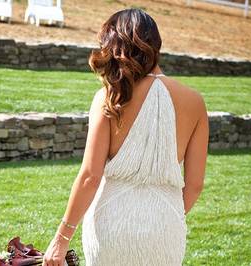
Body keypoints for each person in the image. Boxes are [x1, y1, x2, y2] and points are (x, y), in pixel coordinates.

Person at [42, 8, 208, 266]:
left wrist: (61, 239)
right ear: (156, 44)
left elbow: (89, 177)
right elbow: (195, 184)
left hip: (111, 224)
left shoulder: (110, 98)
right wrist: (166, 215)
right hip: (165, 227)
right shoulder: (195, 102)